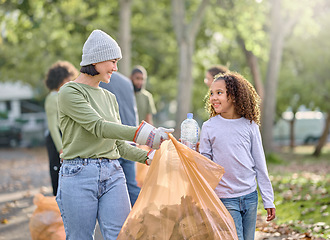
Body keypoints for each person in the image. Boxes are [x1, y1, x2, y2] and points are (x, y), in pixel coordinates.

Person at [56, 29, 173, 240]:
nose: (116, 68)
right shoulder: (70, 92)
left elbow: (118, 145)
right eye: (112, 61)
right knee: (80, 237)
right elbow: (98, 127)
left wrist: (147, 156)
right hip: (78, 174)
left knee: (122, 236)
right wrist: (145, 135)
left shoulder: (110, 97)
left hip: (112, 173)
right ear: (97, 60)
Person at [199, 72, 276, 240]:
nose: (213, 98)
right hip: (225, 198)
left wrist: (268, 199)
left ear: (233, 96)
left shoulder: (250, 126)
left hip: (250, 196)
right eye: (211, 93)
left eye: (219, 93)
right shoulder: (209, 127)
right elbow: (204, 165)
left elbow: (260, 165)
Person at [99, 72, 141, 206]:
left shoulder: (100, 81)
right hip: (131, 136)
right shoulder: (127, 82)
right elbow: (134, 111)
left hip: (113, 140)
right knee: (131, 184)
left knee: (110, 185)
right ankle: (140, 217)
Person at [44, 60, 79, 196]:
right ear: (59, 79)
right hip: (55, 139)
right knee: (57, 172)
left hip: (64, 137)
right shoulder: (52, 98)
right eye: (67, 79)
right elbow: (53, 126)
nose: (70, 81)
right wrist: (61, 149)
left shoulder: (62, 95)